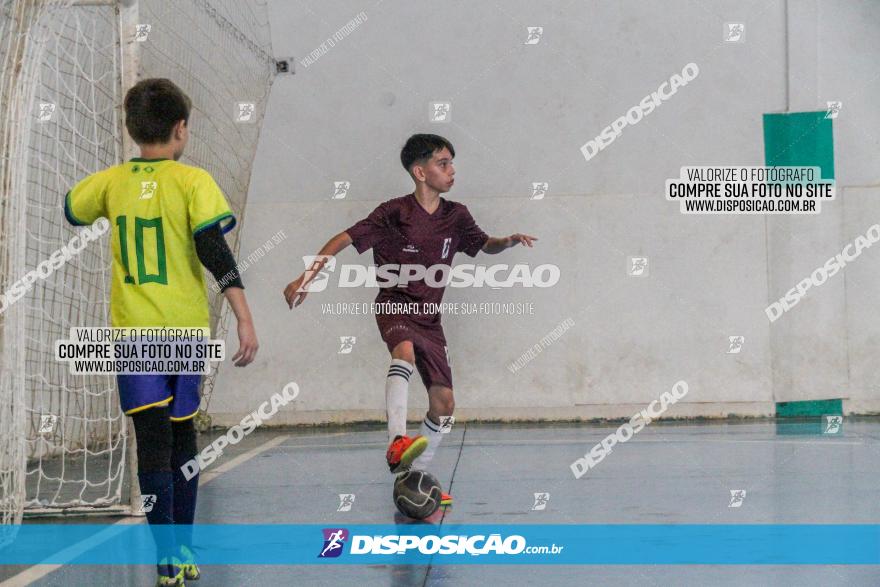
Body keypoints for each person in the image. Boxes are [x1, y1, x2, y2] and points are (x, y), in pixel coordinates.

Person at [64, 78, 259, 586]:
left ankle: (164, 558)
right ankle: (185, 547)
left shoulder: (111, 182)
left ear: (132, 131)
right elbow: (213, 250)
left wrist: (119, 187)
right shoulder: (192, 182)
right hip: (186, 334)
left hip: (135, 337)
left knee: (149, 442)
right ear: (181, 129)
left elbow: (72, 208)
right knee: (183, 438)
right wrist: (242, 313)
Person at [283, 133, 536, 506]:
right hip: (394, 302)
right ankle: (396, 441)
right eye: (443, 163)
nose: (451, 171)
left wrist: (509, 240)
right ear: (420, 172)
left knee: (445, 403)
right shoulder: (394, 213)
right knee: (402, 352)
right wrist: (308, 275)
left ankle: (413, 475)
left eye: (452, 163)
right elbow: (343, 238)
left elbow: (485, 245)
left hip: (430, 318)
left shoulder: (457, 215)